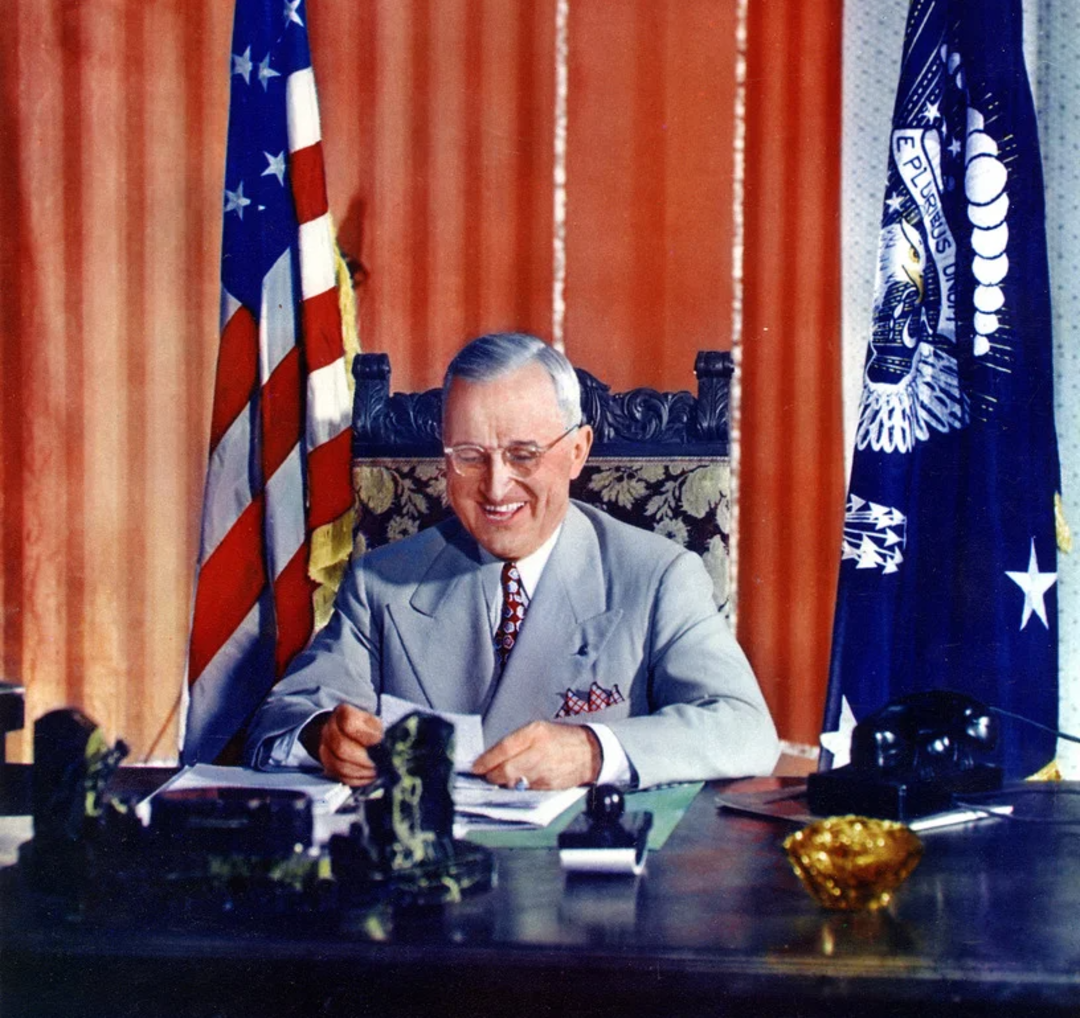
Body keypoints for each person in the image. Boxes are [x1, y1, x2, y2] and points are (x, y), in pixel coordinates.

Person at [245, 332, 779, 789]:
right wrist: (322, 736)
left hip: (583, 889)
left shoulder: (657, 576)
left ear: (577, 452)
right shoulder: (383, 581)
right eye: (470, 457)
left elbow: (744, 727)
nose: (496, 488)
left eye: (524, 455)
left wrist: (593, 751)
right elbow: (283, 716)